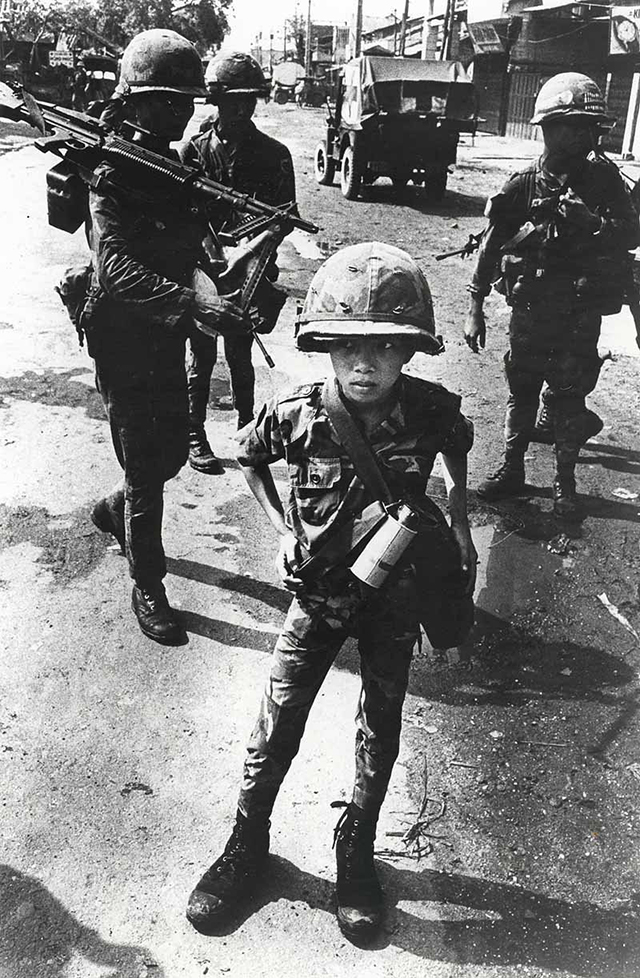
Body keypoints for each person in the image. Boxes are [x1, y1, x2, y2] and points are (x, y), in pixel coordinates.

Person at [186, 242, 476, 940]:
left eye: (384, 347)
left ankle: (357, 852)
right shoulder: (301, 412)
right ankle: (246, 845)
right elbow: (248, 455)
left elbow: (460, 449)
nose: (364, 363)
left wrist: (461, 523)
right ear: (324, 348)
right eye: (347, 346)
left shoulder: (433, 410)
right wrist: (282, 529)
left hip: (396, 600)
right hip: (317, 595)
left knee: (381, 725)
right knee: (277, 719)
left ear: (410, 353)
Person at [87, 30, 248, 644]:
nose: (179, 112)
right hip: (123, 336)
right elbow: (116, 269)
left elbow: (192, 243)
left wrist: (214, 280)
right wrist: (194, 307)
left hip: (167, 332)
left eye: (185, 101)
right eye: (165, 101)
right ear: (133, 101)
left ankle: (115, 507)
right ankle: (148, 584)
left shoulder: (174, 166)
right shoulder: (111, 172)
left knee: (171, 454)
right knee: (149, 469)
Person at [465, 72, 639, 520]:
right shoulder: (523, 184)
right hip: (530, 310)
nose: (584, 134)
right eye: (573, 124)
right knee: (521, 393)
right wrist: (475, 306)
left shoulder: (606, 182)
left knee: (567, 397)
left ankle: (566, 485)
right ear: (546, 127)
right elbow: (490, 243)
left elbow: (632, 233)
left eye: (590, 126)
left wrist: (593, 224)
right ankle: (511, 471)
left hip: (580, 314)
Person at [181, 51, 295, 475]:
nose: (241, 108)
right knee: (202, 355)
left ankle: (247, 431)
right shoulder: (194, 151)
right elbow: (184, 214)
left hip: (252, 268)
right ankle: (195, 434)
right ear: (217, 101)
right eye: (233, 100)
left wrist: (245, 253)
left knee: (240, 354)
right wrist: (212, 254)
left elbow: (282, 218)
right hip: (205, 266)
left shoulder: (272, 153)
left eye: (248, 99)